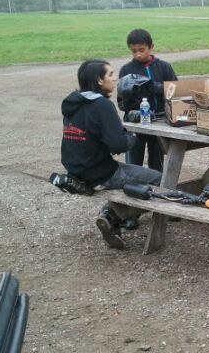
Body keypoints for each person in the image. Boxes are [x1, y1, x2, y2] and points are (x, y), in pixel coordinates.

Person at [61, 59, 162, 249]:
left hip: (75, 170)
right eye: (110, 74)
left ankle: (111, 216)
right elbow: (118, 144)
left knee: (135, 178)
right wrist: (133, 137)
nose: (114, 78)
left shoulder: (74, 103)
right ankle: (113, 215)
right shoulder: (101, 105)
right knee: (159, 180)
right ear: (99, 80)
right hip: (101, 172)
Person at [118, 29, 178, 173]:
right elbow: (121, 102)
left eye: (142, 50)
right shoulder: (126, 70)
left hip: (159, 120)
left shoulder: (164, 67)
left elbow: (176, 91)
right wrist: (131, 101)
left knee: (157, 160)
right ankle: (133, 183)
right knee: (133, 161)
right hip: (135, 123)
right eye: (133, 51)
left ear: (151, 47)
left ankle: (157, 182)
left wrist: (155, 87)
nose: (138, 54)